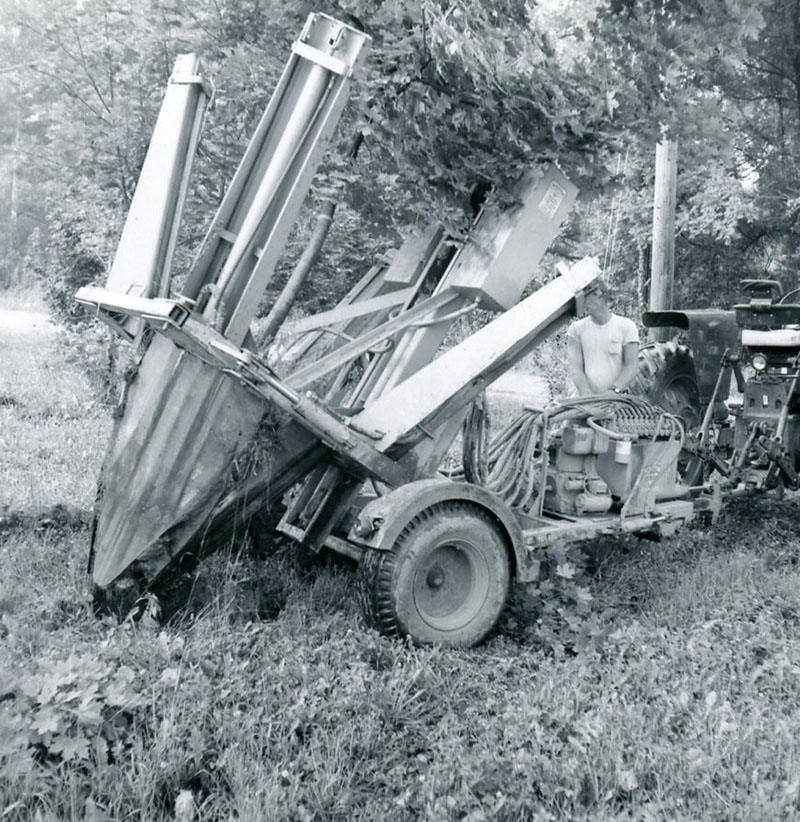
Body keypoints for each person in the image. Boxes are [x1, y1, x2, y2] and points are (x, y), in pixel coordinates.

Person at [566, 279, 640, 395]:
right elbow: (576, 369)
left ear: (598, 294)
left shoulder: (627, 326)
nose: (582, 305)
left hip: (617, 399)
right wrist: (587, 395)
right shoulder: (575, 330)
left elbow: (631, 366)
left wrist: (613, 391)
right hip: (586, 399)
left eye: (585, 298)